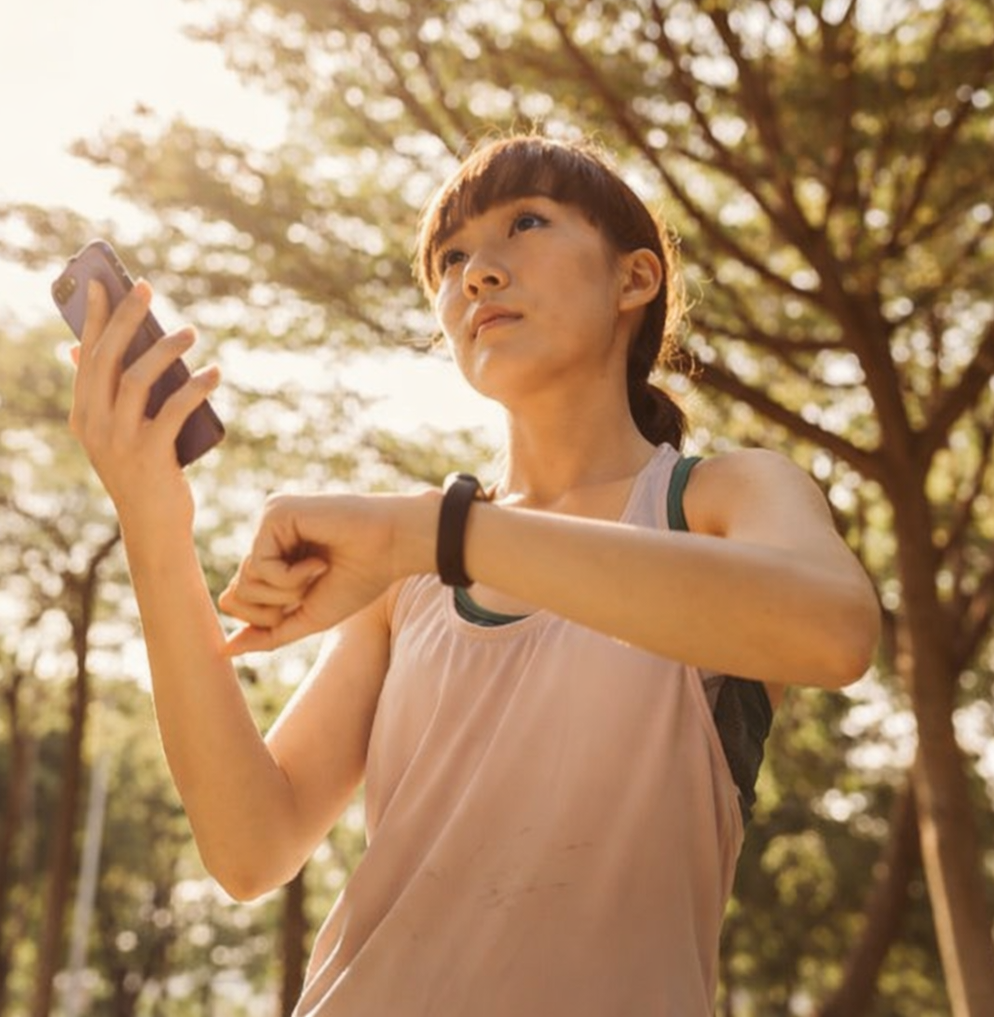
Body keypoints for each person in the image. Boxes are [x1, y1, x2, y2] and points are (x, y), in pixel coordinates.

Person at [68, 134, 880, 1016]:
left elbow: (833, 632)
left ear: (635, 279)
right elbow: (250, 846)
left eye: (525, 223)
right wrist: (153, 524)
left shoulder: (719, 497)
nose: (475, 274)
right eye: (450, 260)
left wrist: (439, 534)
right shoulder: (413, 563)